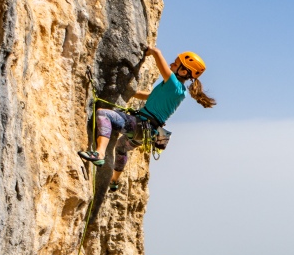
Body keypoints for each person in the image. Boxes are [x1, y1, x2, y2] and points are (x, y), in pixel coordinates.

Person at [79, 48, 216, 188]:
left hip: (139, 125)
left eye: (175, 64)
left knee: (103, 114)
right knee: (121, 147)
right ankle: (114, 181)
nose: (171, 65)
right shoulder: (177, 91)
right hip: (147, 133)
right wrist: (131, 93)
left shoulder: (173, 83)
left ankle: (99, 153)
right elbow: (150, 96)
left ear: (183, 71)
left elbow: (157, 54)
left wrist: (149, 50)